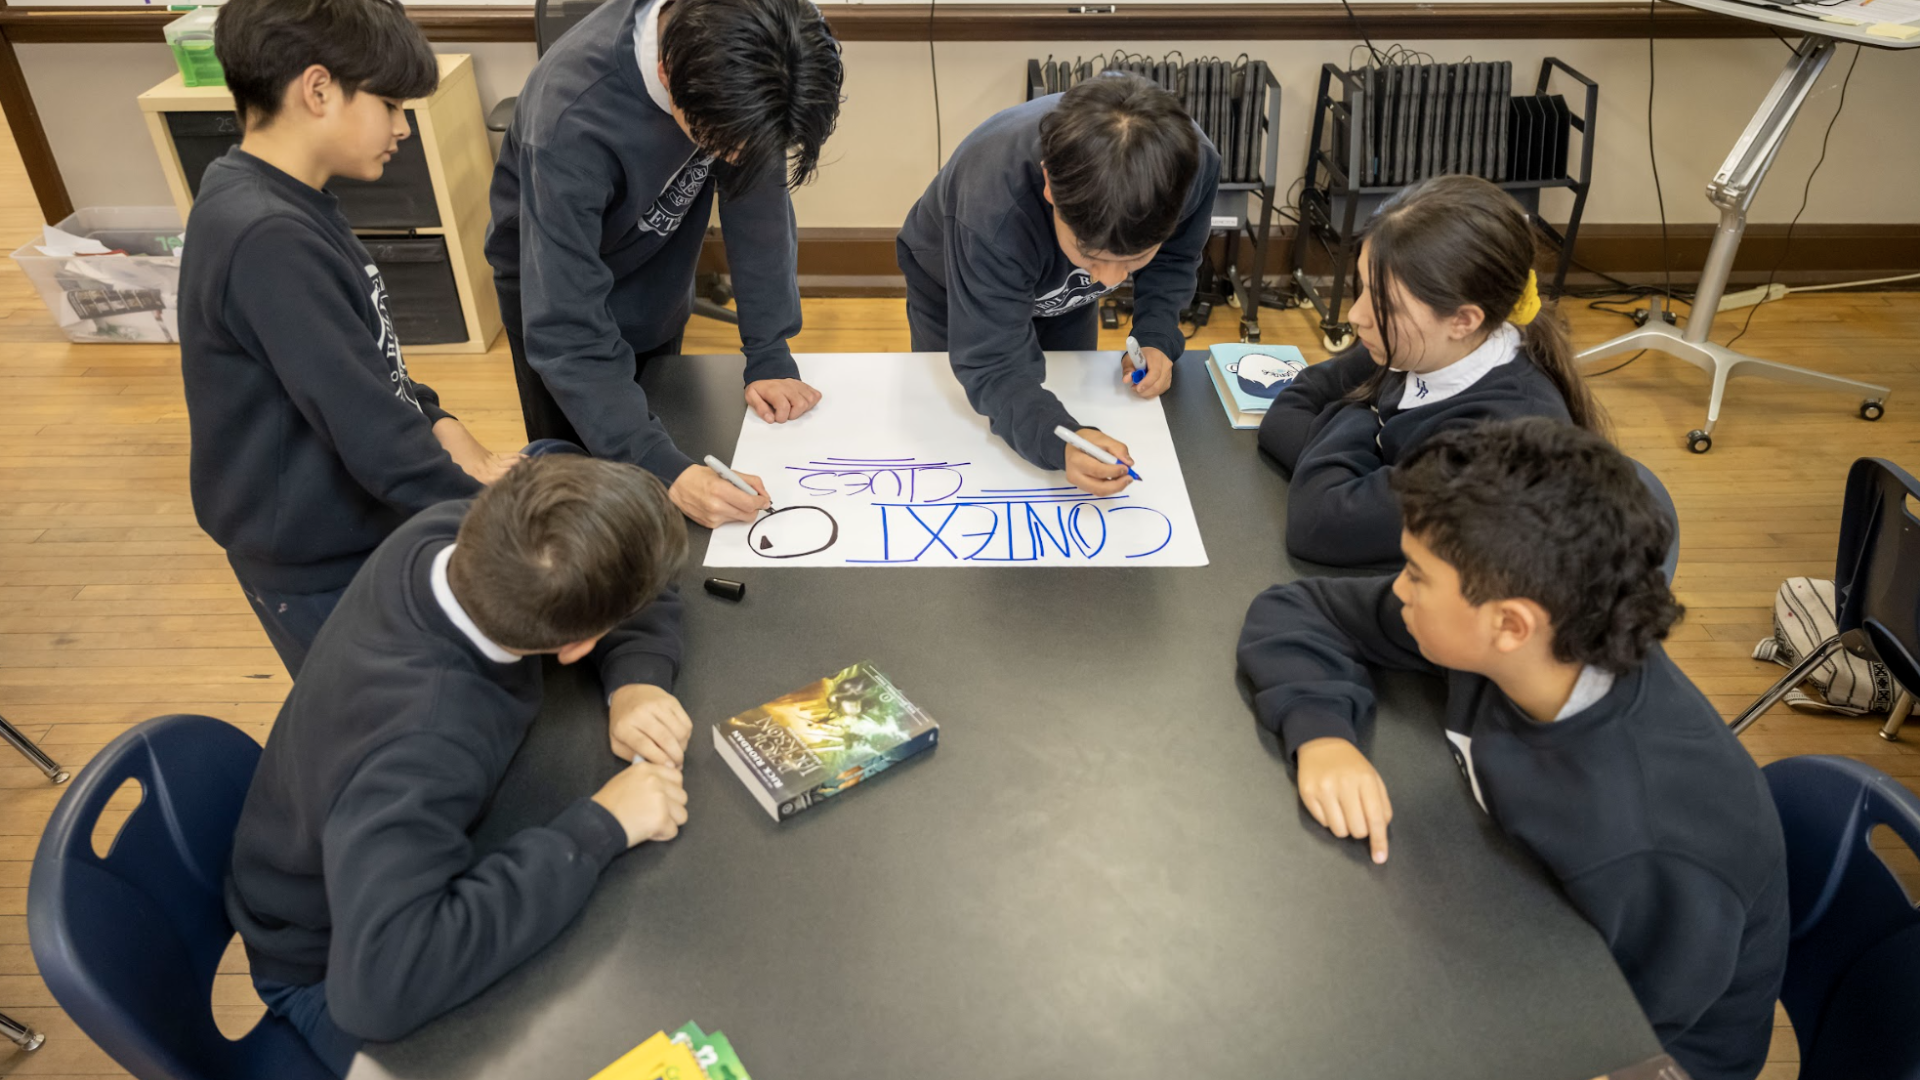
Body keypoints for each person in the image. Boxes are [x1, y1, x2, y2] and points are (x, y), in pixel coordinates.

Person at [1236, 418, 1788, 1080]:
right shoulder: (1522, 643)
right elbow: (1301, 609)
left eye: (1415, 575)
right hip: (1508, 919)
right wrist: (1324, 736)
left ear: (1510, 624)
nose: (1398, 590)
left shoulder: (1650, 831)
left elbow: (1619, 1028)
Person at [224, 454, 697, 1075]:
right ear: (577, 645)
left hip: (380, 857)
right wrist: (602, 825)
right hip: (327, 962)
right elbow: (380, 990)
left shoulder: (452, 534)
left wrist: (636, 677)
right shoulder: (425, 743)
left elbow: (614, 546)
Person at [180, 0, 514, 676]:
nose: (402, 127)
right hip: (313, 560)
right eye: (390, 104)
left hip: (361, 524)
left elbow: (370, 363)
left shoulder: (291, 201)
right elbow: (369, 432)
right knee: (383, 726)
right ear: (319, 89)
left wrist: (442, 424)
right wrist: (503, 527)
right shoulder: (268, 237)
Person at [487, 0, 843, 528]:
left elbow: (757, 203)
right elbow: (566, 330)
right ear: (666, 73)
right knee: (585, 494)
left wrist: (768, 350)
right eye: (721, 144)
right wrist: (664, 468)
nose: (738, 159)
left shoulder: (759, 40)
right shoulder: (570, 117)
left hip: (656, 268)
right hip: (555, 293)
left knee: (668, 428)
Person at [896, 72, 1221, 496]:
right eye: (1093, 257)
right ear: (1050, 185)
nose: (1107, 281)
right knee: (964, 431)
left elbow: (1177, 255)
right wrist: (1059, 439)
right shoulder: (991, 205)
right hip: (954, 279)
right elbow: (992, 364)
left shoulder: (1193, 166)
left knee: (1064, 386)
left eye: (1136, 259)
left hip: (1058, 290)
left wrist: (1157, 333)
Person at [1258, 174, 1601, 568]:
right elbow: (1287, 411)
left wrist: (1355, 416)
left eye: (1384, 301)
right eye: (1363, 287)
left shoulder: (1492, 450)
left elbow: (1319, 522)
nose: (1355, 315)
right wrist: (1363, 469)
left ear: (1463, 320)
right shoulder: (1415, 345)